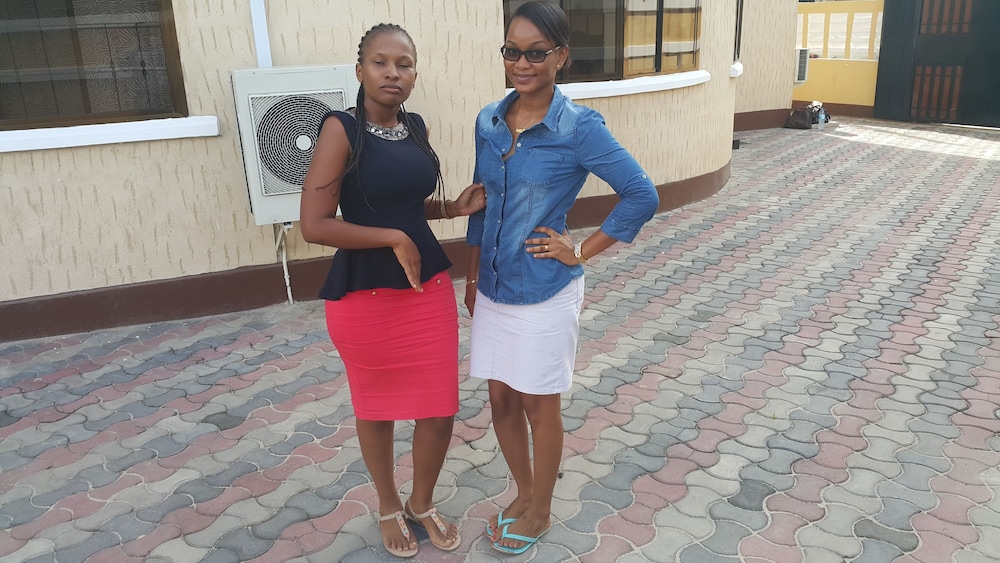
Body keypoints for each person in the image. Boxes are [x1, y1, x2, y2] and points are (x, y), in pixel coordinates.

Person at [464, 0, 659, 555]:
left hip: (543, 290)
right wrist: (472, 279)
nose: (521, 63)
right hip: (494, 287)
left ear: (560, 57)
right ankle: (525, 493)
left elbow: (641, 194)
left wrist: (581, 251)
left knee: (537, 404)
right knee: (501, 400)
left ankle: (542, 511)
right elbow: (481, 204)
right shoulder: (488, 120)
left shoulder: (578, 127)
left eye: (535, 53)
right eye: (512, 51)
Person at [299, 23, 485, 559]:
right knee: (377, 408)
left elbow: (401, 205)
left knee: (439, 408)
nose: (392, 73)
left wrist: (450, 208)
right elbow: (314, 224)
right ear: (360, 71)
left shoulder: (415, 127)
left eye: (404, 64)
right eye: (380, 63)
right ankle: (387, 504)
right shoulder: (341, 129)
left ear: (415, 75)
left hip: (425, 289)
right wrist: (392, 238)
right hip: (366, 297)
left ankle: (420, 502)